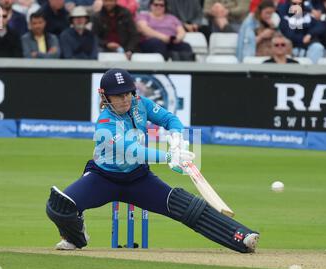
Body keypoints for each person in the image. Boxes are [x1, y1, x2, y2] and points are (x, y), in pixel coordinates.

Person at [45, 68, 260, 254]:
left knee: (184, 206)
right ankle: (75, 238)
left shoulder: (141, 105)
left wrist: (176, 137)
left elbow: (169, 119)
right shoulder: (105, 124)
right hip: (103, 179)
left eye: (128, 93)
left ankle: (241, 237)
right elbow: (134, 151)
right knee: (59, 206)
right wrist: (168, 156)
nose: (125, 99)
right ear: (105, 96)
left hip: (139, 179)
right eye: (118, 96)